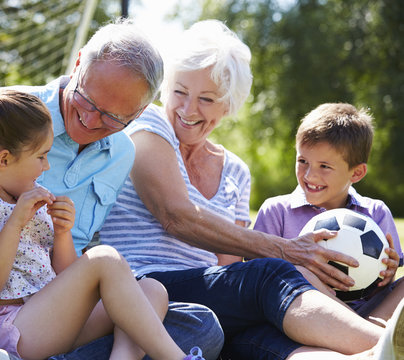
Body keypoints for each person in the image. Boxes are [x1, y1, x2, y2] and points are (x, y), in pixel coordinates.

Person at [0, 20, 222, 360]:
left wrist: (63, 234)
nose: (92, 120)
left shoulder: (121, 154)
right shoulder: (6, 112)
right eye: (88, 102)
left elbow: (67, 265)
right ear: (79, 62)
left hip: (45, 298)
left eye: (115, 118)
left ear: (141, 111)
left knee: (196, 322)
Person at [98, 19, 404, 359]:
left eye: (207, 99)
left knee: (266, 338)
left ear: (228, 104)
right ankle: (383, 346)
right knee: (271, 274)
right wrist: (287, 250)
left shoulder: (235, 171)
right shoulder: (149, 125)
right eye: (179, 92)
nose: (188, 109)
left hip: (208, 296)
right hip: (143, 285)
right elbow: (176, 216)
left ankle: (365, 355)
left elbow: (229, 269)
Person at [253, 102, 404, 324]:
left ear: (357, 172)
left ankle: (372, 331)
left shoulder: (376, 212)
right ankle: (363, 334)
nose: (310, 175)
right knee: (300, 273)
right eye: (302, 161)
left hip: (368, 312)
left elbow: (385, 284)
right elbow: (259, 277)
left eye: (324, 166)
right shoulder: (277, 211)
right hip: (307, 313)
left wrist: (387, 273)